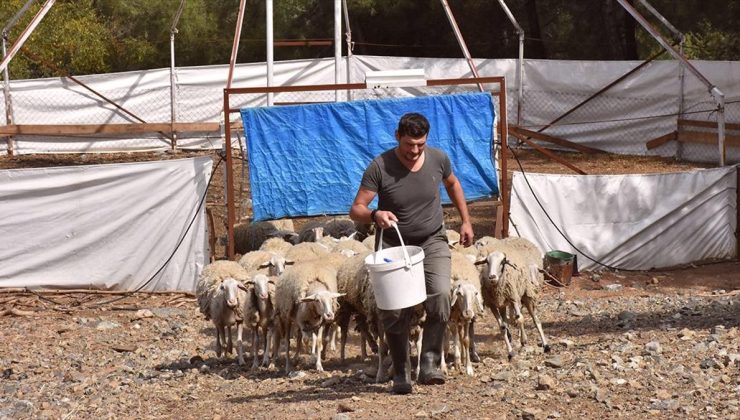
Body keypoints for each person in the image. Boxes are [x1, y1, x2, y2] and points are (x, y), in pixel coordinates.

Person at [349, 112, 474, 394]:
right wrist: (375, 214)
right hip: (395, 244)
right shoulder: (380, 166)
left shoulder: (438, 159)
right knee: (394, 307)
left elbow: (452, 183)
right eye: (409, 144)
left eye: (420, 144)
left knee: (441, 295)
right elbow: (355, 208)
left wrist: (466, 220)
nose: (414, 151)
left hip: (432, 239)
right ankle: (401, 370)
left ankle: (429, 362)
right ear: (398, 137)